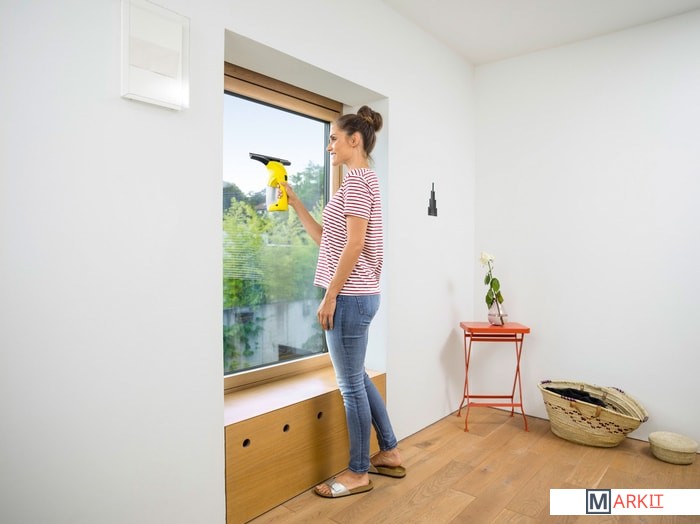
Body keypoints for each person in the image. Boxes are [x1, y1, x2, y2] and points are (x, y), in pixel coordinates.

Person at [283, 106, 405, 498]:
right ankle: (390, 451)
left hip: (350, 297)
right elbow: (328, 240)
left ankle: (358, 473)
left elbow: (354, 245)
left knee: (350, 386)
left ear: (355, 140)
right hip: (361, 294)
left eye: (334, 138)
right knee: (358, 378)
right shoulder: (363, 182)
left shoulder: (356, 184)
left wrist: (330, 296)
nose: (329, 146)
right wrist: (295, 202)